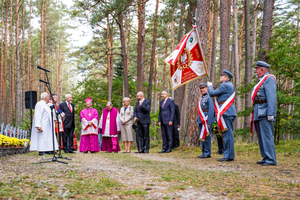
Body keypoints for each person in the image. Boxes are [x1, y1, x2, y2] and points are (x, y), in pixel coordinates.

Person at [251, 61, 277, 166]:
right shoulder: (262, 80)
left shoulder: (269, 79)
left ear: (262, 70)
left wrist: (270, 113)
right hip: (259, 111)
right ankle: (265, 157)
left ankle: (271, 159)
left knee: (267, 135)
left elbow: (271, 97)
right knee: (261, 136)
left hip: (265, 112)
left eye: (257, 69)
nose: (256, 71)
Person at [207, 70, 237, 162]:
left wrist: (210, 86)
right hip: (227, 112)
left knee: (227, 134)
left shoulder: (225, 85)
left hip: (226, 112)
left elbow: (212, 93)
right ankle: (229, 155)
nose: (220, 77)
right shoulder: (228, 85)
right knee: (227, 134)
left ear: (227, 78)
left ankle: (228, 155)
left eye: (222, 76)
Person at [197, 83, 214, 158]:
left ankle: (207, 152)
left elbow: (211, 109)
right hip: (201, 119)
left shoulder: (209, 97)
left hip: (206, 119)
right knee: (202, 136)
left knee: (207, 136)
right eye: (201, 88)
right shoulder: (201, 98)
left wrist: (209, 121)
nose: (202, 89)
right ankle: (203, 152)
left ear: (207, 88)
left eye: (203, 88)